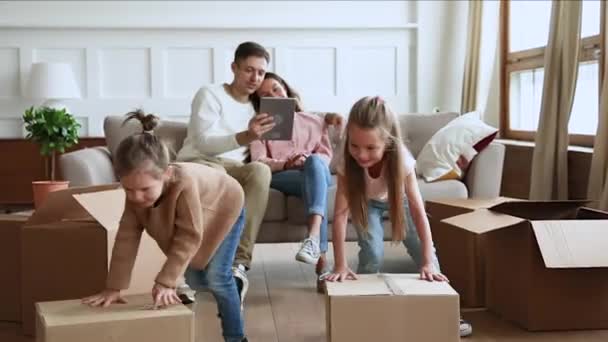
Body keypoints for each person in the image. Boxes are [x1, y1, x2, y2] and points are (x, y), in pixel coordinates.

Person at [83, 111, 249, 342]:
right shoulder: (136, 196)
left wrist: (165, 282)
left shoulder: (183, 183)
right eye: (129, 190)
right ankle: (230, 281)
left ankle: (236, 337)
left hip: (226, 203)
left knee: (218, 280)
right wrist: (114, 287)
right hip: (200, 210)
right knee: (197, 280)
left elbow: (189, 236)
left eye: (145, 190)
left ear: (167, 174)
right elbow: (126, 239)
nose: (137, 197)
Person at [324, 96, 473, 338]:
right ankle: (365, 312)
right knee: (372, 253)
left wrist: (426, 260)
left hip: (400, 200)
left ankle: (447, 315)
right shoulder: (346, 162)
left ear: (388, 143)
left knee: (425, 254)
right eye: (354, 146)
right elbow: (340, 215)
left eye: (371, 148)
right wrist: (340, 264)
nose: (361, 155)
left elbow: (417, 210)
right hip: (366, 203)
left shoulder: (402, 160)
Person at [176, 41, 274, 307]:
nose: (255, 78)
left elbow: (299, 123)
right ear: (234, 67)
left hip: (234, 169)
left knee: (261, 172)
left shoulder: (259, 106)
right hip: (202, 161)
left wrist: (329, 118)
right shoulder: (209, 94)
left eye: (261, 73)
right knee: (220, 177)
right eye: (249, 70)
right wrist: (246, 135)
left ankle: (238, 267)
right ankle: (186, 269)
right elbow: (205, 141)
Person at [249, 72, 341, 291]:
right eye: (266, 95)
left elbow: (325, 156)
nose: (274, 95)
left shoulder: (315, 120)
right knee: (315, 187)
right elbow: (259, 161)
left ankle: (313, 241)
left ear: (286, 90)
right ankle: (321, 263)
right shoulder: (259, 127)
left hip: (316, 172)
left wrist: (308, 162)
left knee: (315, 165)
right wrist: (286, 164)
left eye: (276, 89)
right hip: (284, 176)